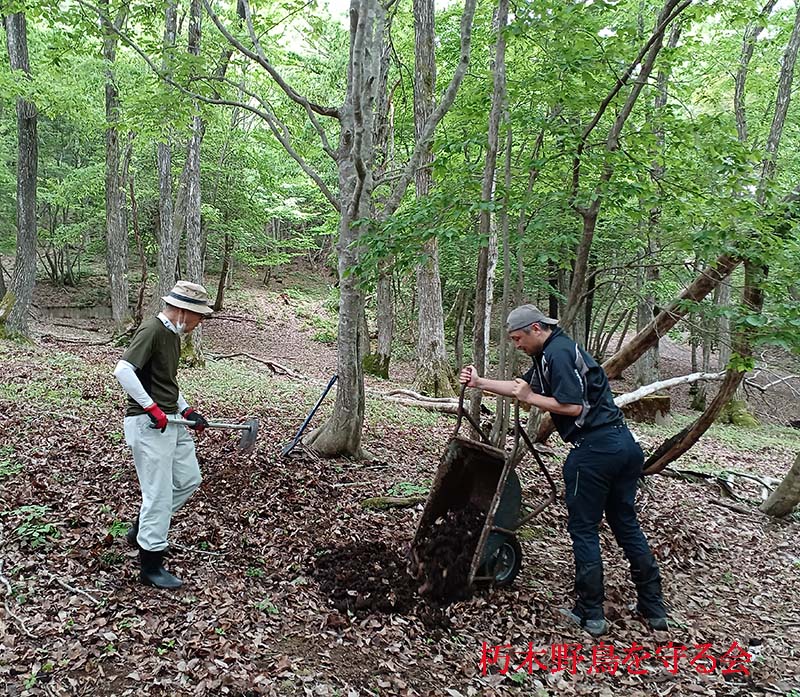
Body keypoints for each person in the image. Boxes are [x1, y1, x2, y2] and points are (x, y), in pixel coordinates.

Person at [459, 304, 668, 636]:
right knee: (625, 524)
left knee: (584, 530)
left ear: (536, 329)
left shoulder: (557, 354)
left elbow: (572, 406)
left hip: (595, 450)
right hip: (623, 446)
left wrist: (532, 398)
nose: (517, 345)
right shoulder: (550, 355)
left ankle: (591, 613)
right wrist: (479, 383)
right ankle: (654, 608)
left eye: (518, 339)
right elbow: (520, 389)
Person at [113, 280, 212, 589]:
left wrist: (186, 411)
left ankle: (143, 526)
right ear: (183, 311)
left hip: (171, 420)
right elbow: (123, 371)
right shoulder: (152, 330)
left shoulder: (173, 335)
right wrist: (152, 408)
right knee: (158, 493)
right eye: (198, 316)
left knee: (188, 479)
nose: (199, 322)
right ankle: (151, 564)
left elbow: (166, 381)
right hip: (148, 423)